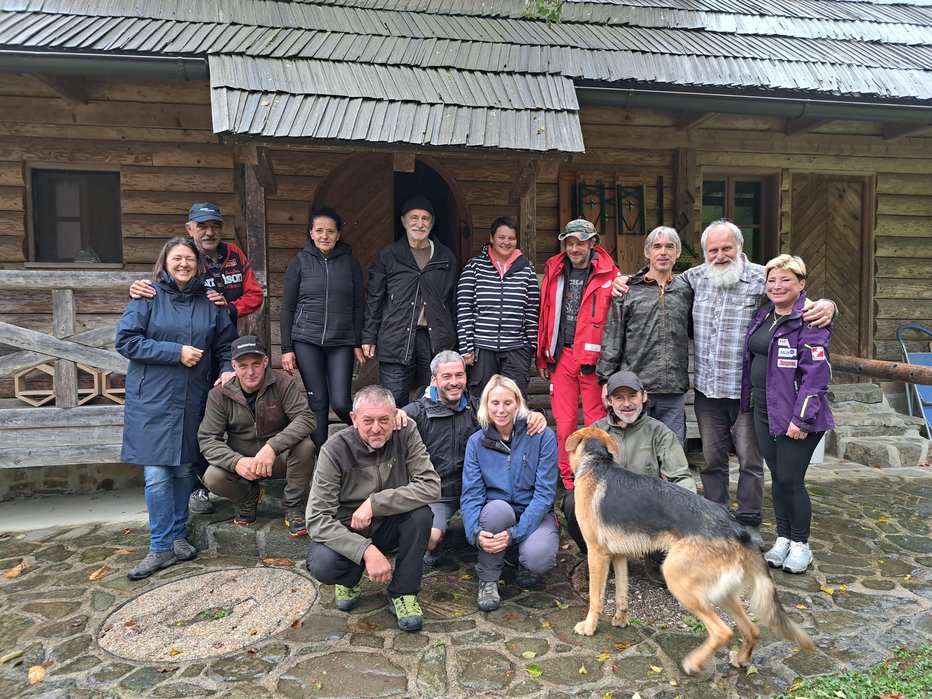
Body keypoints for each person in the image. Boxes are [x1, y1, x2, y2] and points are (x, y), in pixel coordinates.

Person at [612, 220, 835, 539]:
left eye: (726, 248)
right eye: (712, 250)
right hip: (708, 391)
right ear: (704, 253)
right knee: (712, 459)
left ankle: (748, 520)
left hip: (745, 393)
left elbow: (795, 297)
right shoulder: (694, 278)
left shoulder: (762, 278)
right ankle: (715, 517)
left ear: (740, 248)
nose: (719, 255)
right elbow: (657, 277)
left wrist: (830, 305)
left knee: (749, 460)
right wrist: (622, 281)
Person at [129, 202, 264, 516]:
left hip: (227, 351)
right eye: (201, 226)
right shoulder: (182, 258)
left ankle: (240, 477)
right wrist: (139, 287)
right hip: (188, 357)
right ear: (189, 229)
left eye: (214, 225)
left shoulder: (234, 255)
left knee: (223, 420)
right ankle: (198, 489)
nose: (209, 232)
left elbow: (255, 294)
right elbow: (160, 288)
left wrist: (227, 310)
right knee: (193, 427)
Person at [116, 236, 238, 580]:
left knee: (185, 469)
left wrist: (227, 369)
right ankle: (159, 547)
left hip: (191, 396)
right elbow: (126, 341)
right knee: (156, 474)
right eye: (177, 258)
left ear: (198, 265)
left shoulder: (211, 303)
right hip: (151, 398)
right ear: (165, 262)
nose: (183, 263)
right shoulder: (148, 296)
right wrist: (175, 352)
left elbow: (226, 345)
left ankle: (179, 536)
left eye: (189, 258)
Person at [305, 385, 440, 632]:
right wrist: (365, 551)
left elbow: (430, 486)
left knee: (421, 515)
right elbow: (316, 518)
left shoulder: (406, 432)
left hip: (389, 522)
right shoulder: (334, 450)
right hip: (350, 527)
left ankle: (404, 592)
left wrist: (375, 503)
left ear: (394, 416)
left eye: (383, 420)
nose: (376, 428)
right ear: (354, 419)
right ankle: (349, 579)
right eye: (368, 420)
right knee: (323, 564)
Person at [401, 351, 548, 567]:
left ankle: (506, 550)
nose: (454, 382)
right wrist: (393, 415)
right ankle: (434, 546)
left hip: (480, 489)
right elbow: (386, 422)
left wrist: (536, 414)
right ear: (433, 379)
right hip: (439, 493)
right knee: (430, 538)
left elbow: (507, 411)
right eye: (447, 376)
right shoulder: (417, 412)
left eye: (459, 375)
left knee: (500, 515)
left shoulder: (478, 407)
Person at [741, 255, 834, 574]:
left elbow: (817, 375)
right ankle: (783, 538)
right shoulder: (764, 313)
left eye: (786, 280)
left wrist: (801, 419)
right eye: (772, 280)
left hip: (797, 414)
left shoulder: (810, 318)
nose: (777, 286)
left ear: (802, 284)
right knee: (778, 478)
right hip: (765, 410)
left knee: (792, 480)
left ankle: (801, 544)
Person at [563, 370, 696, 583]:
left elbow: (682, 478)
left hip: (647, 514)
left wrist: (685, 514)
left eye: (632, 396)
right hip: (607, 511)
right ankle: (598, 554)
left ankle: (655, 556)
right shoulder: (595, 432)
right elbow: (579, 475)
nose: (627, 404)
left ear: (644, 397)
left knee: (666, 575)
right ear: (608, 401)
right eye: (619, 397)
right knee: (571, 502)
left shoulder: (660, 432)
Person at [198, 336, 317, 536]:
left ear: (265, 362)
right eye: (243, 366)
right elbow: (208, 439)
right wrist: (236, 462)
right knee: (212, 477)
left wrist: (272, 447)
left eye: (255, 364)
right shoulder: (219, 394)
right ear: (233, 366)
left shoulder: (282, 383)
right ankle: (249, 496)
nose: (250, 372)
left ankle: (294, 506)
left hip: (278, 459)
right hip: (245, 463)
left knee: (305, 447)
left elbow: (306, 418)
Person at [460, 375, 559, 612]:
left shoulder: (542, 436)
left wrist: (515, 533)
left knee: (538, 557)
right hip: (497, 515)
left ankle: (521, 557)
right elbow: (471, 493)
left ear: (518, 403)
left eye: (507, 403)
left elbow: (544, 494)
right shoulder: (477, 442)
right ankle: (488, 579)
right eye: (494, 403)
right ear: (486, 405)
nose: (501, 410)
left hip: (534, 514)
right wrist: (474, 532)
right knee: (496, 509)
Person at [537, 218, 617, 492]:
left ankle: (596, 475)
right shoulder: (555, 269)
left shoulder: (610, 274)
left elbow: (615, 324)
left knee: (596, 423)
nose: (574, 248)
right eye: (569, 243)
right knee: (564, 424)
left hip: (594, 364)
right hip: (562, 357)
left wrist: (610, 366)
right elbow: (546, 314)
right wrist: (543, 356)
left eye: (580, 243)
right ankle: (569, 480)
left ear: (592, 243)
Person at [597, 226, 693, 444]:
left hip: (673, 390)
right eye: (657, 247)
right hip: (635, 388)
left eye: (670, 247)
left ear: (677, 253)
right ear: (647, 253)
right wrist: (606, 380)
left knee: (672, 452)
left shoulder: (686, 290)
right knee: (635, 454)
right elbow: (612, 338)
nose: (663, 252)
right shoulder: (628, 289)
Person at [280, 207, 365, 450]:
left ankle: (367, 441)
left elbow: (359, 305)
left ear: (338, 235)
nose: (325, 236)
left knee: (340, 402)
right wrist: (287, 348)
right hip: (306, 341)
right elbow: (287, 308)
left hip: (341, 342)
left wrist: (356, 341)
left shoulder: (350, 263)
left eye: (330, 231)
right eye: (319, 231)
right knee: (317, 403)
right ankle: (321, 460)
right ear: (311, 233)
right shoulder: (299, 263)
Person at [362, 196, 458, 407]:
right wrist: (368, 336)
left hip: (434, 341)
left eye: (425, 218)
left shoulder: (445, 256)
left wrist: (457, 342)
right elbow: (375, 299)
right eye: (414, 217)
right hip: (395, 338)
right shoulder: (389, 256)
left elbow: (452, 301)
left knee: (434, 401)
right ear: (404, 221)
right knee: (394, 402)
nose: (420, 223)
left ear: (432, 223)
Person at [456, 216, 539, 398]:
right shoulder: (474, 267)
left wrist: (529, 346)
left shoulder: (527, 269)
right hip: (482, 350)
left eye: (511, 238)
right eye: (502, 237)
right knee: (482, 401)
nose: (506, 242)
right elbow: (464, 308)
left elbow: (532, 309)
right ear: (492, 238)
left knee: (515, 401)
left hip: (516, 349)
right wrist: (466, 347)